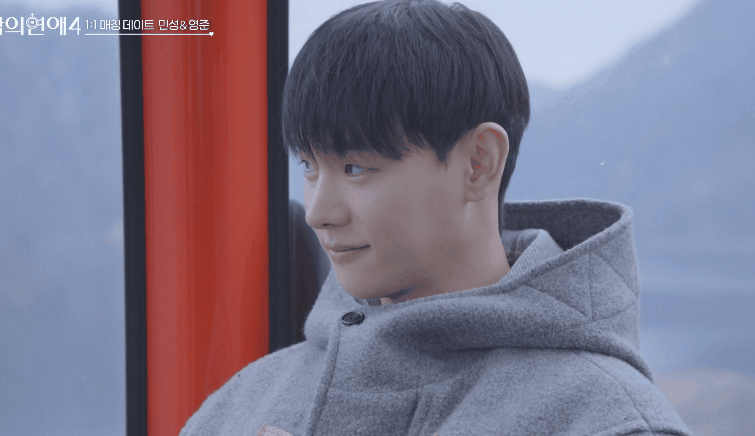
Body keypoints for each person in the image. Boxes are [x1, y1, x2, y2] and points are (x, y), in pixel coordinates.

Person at [180, 1, 693, 435]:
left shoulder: (612, 422)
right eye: (310, 167)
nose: (318, 213)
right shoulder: (239, 405)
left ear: (478, 163)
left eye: (356, 168)